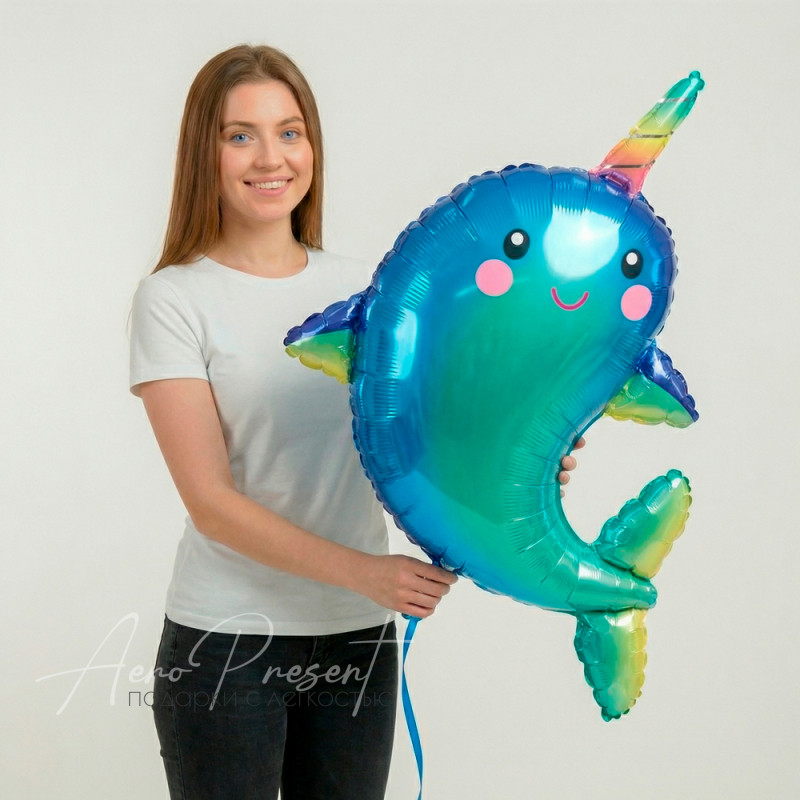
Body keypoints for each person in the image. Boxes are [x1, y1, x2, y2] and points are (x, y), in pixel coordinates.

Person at [127, 43, 583, 800]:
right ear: (204, 153)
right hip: (227, 646)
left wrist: (523, 455)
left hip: (357, 640)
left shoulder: (367, 291)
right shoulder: (173, 300)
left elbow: (427, 436)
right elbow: (211, 503)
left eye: (290, 131)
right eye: (240, 135)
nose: (270, 157)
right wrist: (367, 574)